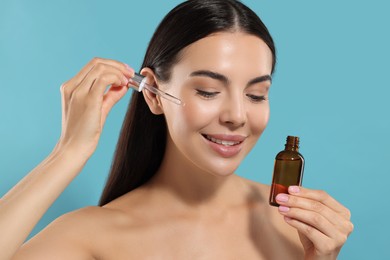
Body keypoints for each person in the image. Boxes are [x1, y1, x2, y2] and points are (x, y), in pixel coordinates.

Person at [0, 0, 353, 259]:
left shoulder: (294, 224)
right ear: (153, 93)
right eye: (208, 91)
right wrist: (68, 152)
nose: (237, 116)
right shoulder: (91, 237)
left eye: (256, 94)